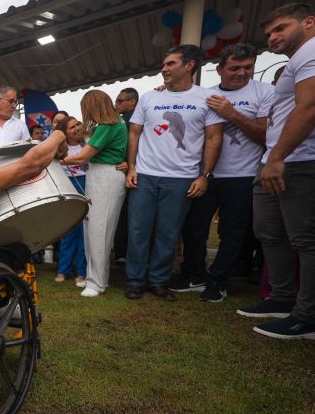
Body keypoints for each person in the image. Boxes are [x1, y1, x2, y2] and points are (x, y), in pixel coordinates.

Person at [168, 43, 273, 302]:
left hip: (243, 174)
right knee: (194, 228)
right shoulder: (205, 94)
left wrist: (231, 113)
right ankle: (194, 274)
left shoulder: (265, 92)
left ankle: (218, 279)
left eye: (248, 67)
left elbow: (266, 136)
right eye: (234, 68)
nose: (241, 73)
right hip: (205, 173)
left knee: (232, 230)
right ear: (219, 69)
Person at [124, 45, 224, 301]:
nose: (164, 68)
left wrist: (205, 176)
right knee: (138, 230)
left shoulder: (206, 97)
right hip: (144, 175)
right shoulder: (149, 97)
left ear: (189, 65)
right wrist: (132, 167)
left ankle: (158, 281)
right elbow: (134, 132)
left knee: (169, 232)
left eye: (170, 64)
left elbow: (214, 138)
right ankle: (135, 281)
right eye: (164, 64)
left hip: (182, 179)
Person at [245, 3, 315, 340]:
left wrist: (278, 158)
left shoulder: (311, 51)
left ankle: (307, 315)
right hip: (277, 158)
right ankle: (282, 298)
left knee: (305, 238)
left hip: (297, 160)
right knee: (269, 230)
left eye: (281, 28)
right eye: (269, 33)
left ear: (308, 22)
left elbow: (309, 107)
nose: (273, 37)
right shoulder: (296, 61)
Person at [62, 90, 129, 297]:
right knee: (94, 230)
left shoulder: (108, 125)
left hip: (105, 176)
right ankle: (97, 278)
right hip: (100, 175)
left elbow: (82, 156)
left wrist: (56, 160)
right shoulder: (112, 123)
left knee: (99, 232)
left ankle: (96, 282)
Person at [54, 116, 87, 287]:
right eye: (72, 127)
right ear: (64, 132)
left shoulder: (88, 142)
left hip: (86, 183)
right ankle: (63, 269)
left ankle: (82, 271)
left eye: (78, 124)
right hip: (66, 186)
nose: (77, 128)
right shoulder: (57, 148)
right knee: (68, 231)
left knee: (84, 231)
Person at [112, 88, 139, 263]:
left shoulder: (136, 120)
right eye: (116, 101)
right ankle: (121, 253)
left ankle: (126, 254)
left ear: (132, 102)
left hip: (136, 173)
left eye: (120, 101)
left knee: (131, 216)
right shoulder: (119, 120)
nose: (116, 104)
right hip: (123, 171)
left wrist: (130, 164)